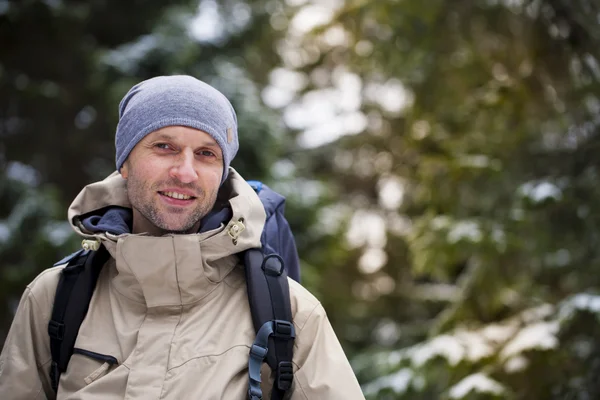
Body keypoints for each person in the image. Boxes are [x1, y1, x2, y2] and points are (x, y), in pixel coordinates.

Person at [0, 75, 365, 399]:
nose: (185, 172)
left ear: (222, 173)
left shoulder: (292, 312)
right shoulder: (53, 299)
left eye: (206, 154)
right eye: (164, 146)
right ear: (125, 162)